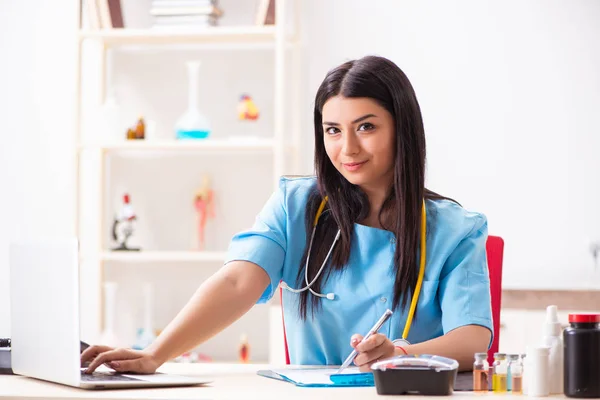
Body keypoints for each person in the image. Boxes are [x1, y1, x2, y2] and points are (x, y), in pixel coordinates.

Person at [82, 55, 493, 374]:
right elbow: (237, 281)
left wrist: (400, 355)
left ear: (401, 128)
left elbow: (473, 337)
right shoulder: (295, 205)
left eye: (366, 127)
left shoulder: (455, 230)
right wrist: (156, 354)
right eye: (332, 130)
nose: (347, 148)